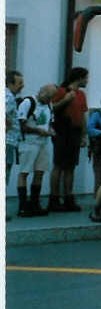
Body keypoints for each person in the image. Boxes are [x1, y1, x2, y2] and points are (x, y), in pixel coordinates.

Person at [49, 67, 89, 212]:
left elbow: (83, 115)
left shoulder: (82, 94)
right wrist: (66, 99)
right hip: (62, 131)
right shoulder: (61, 91)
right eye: (86, 78)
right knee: (58, 165)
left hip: (75, 132)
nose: (87, 81)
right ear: (78, 78)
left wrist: (84, 135)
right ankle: (54, 199)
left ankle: (68, 198)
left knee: (71, 166)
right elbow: (52, 108)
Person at [16, 84, 57, 217]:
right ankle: (23, 206)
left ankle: (35, 204)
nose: (49, 99)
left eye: (52, 97)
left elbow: (50, 122)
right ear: (41, 91)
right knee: (25, 172)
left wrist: (50, 130)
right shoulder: (28, 102)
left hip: (43, 142)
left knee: (40, 172)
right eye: (48, 96)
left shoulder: (49, 105)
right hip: (29, 142)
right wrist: (38, 130)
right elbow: (21, 126)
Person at [5, 70, 24, 220]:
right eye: (19, 83)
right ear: (10, 83)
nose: (22, 86)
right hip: (7, 141)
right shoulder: (8, 96)